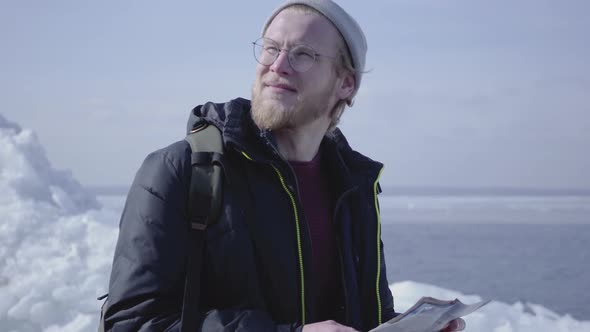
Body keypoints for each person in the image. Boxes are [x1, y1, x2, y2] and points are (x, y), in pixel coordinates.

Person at [105, 1, 465, 331]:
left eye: (303, 54)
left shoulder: (355, 187)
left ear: (346, 83)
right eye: (271, 48)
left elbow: (362, 317)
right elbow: (131, 324)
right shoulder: (181, 170)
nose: (277, 67)